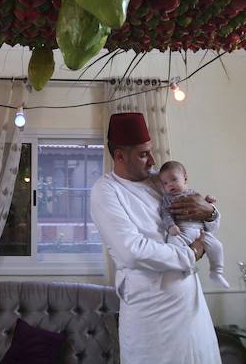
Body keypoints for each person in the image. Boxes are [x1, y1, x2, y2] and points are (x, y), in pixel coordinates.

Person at [90, 112, 222, 364]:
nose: (152, 160)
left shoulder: (159, 183)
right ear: (119, 156)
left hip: (192, 310)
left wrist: (212, 213)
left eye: (150, 151)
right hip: (151, 318)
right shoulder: (106, 191)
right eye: (142, 154)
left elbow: (201, 224)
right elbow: (134, 251)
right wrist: (191, 254)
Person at [159, 160, 230, 289]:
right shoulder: (167, 199)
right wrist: (170, 226)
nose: (170, 185)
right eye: (165, 183)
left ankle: (216, 272)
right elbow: (165, 214)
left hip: (200, 230)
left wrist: (208, 202)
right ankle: (184, 268)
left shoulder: (193, 193)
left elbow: (203, 208)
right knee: (173, 243)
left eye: (174, 179)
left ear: (185, 178)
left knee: (217, 246)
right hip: (183, 230)